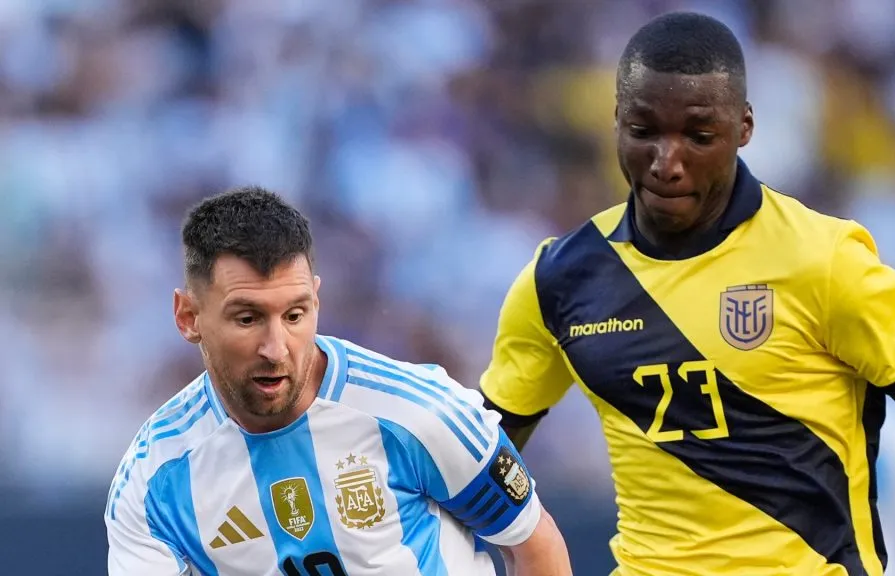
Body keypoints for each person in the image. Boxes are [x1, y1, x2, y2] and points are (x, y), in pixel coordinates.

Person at [479, 11, 895, 576]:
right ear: (617, 120)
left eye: (699, 137)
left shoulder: (822, 260)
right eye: (643, 131)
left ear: (744, 127)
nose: (667, 163)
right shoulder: (559, 279)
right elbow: (476, 453)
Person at [104, 187, 573, 576]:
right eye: (247, 318)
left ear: (316, 300)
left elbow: (533, 545)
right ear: (189, 317)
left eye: (294, 315)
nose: (276, 347)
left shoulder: (419, 412)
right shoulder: (153, 480)